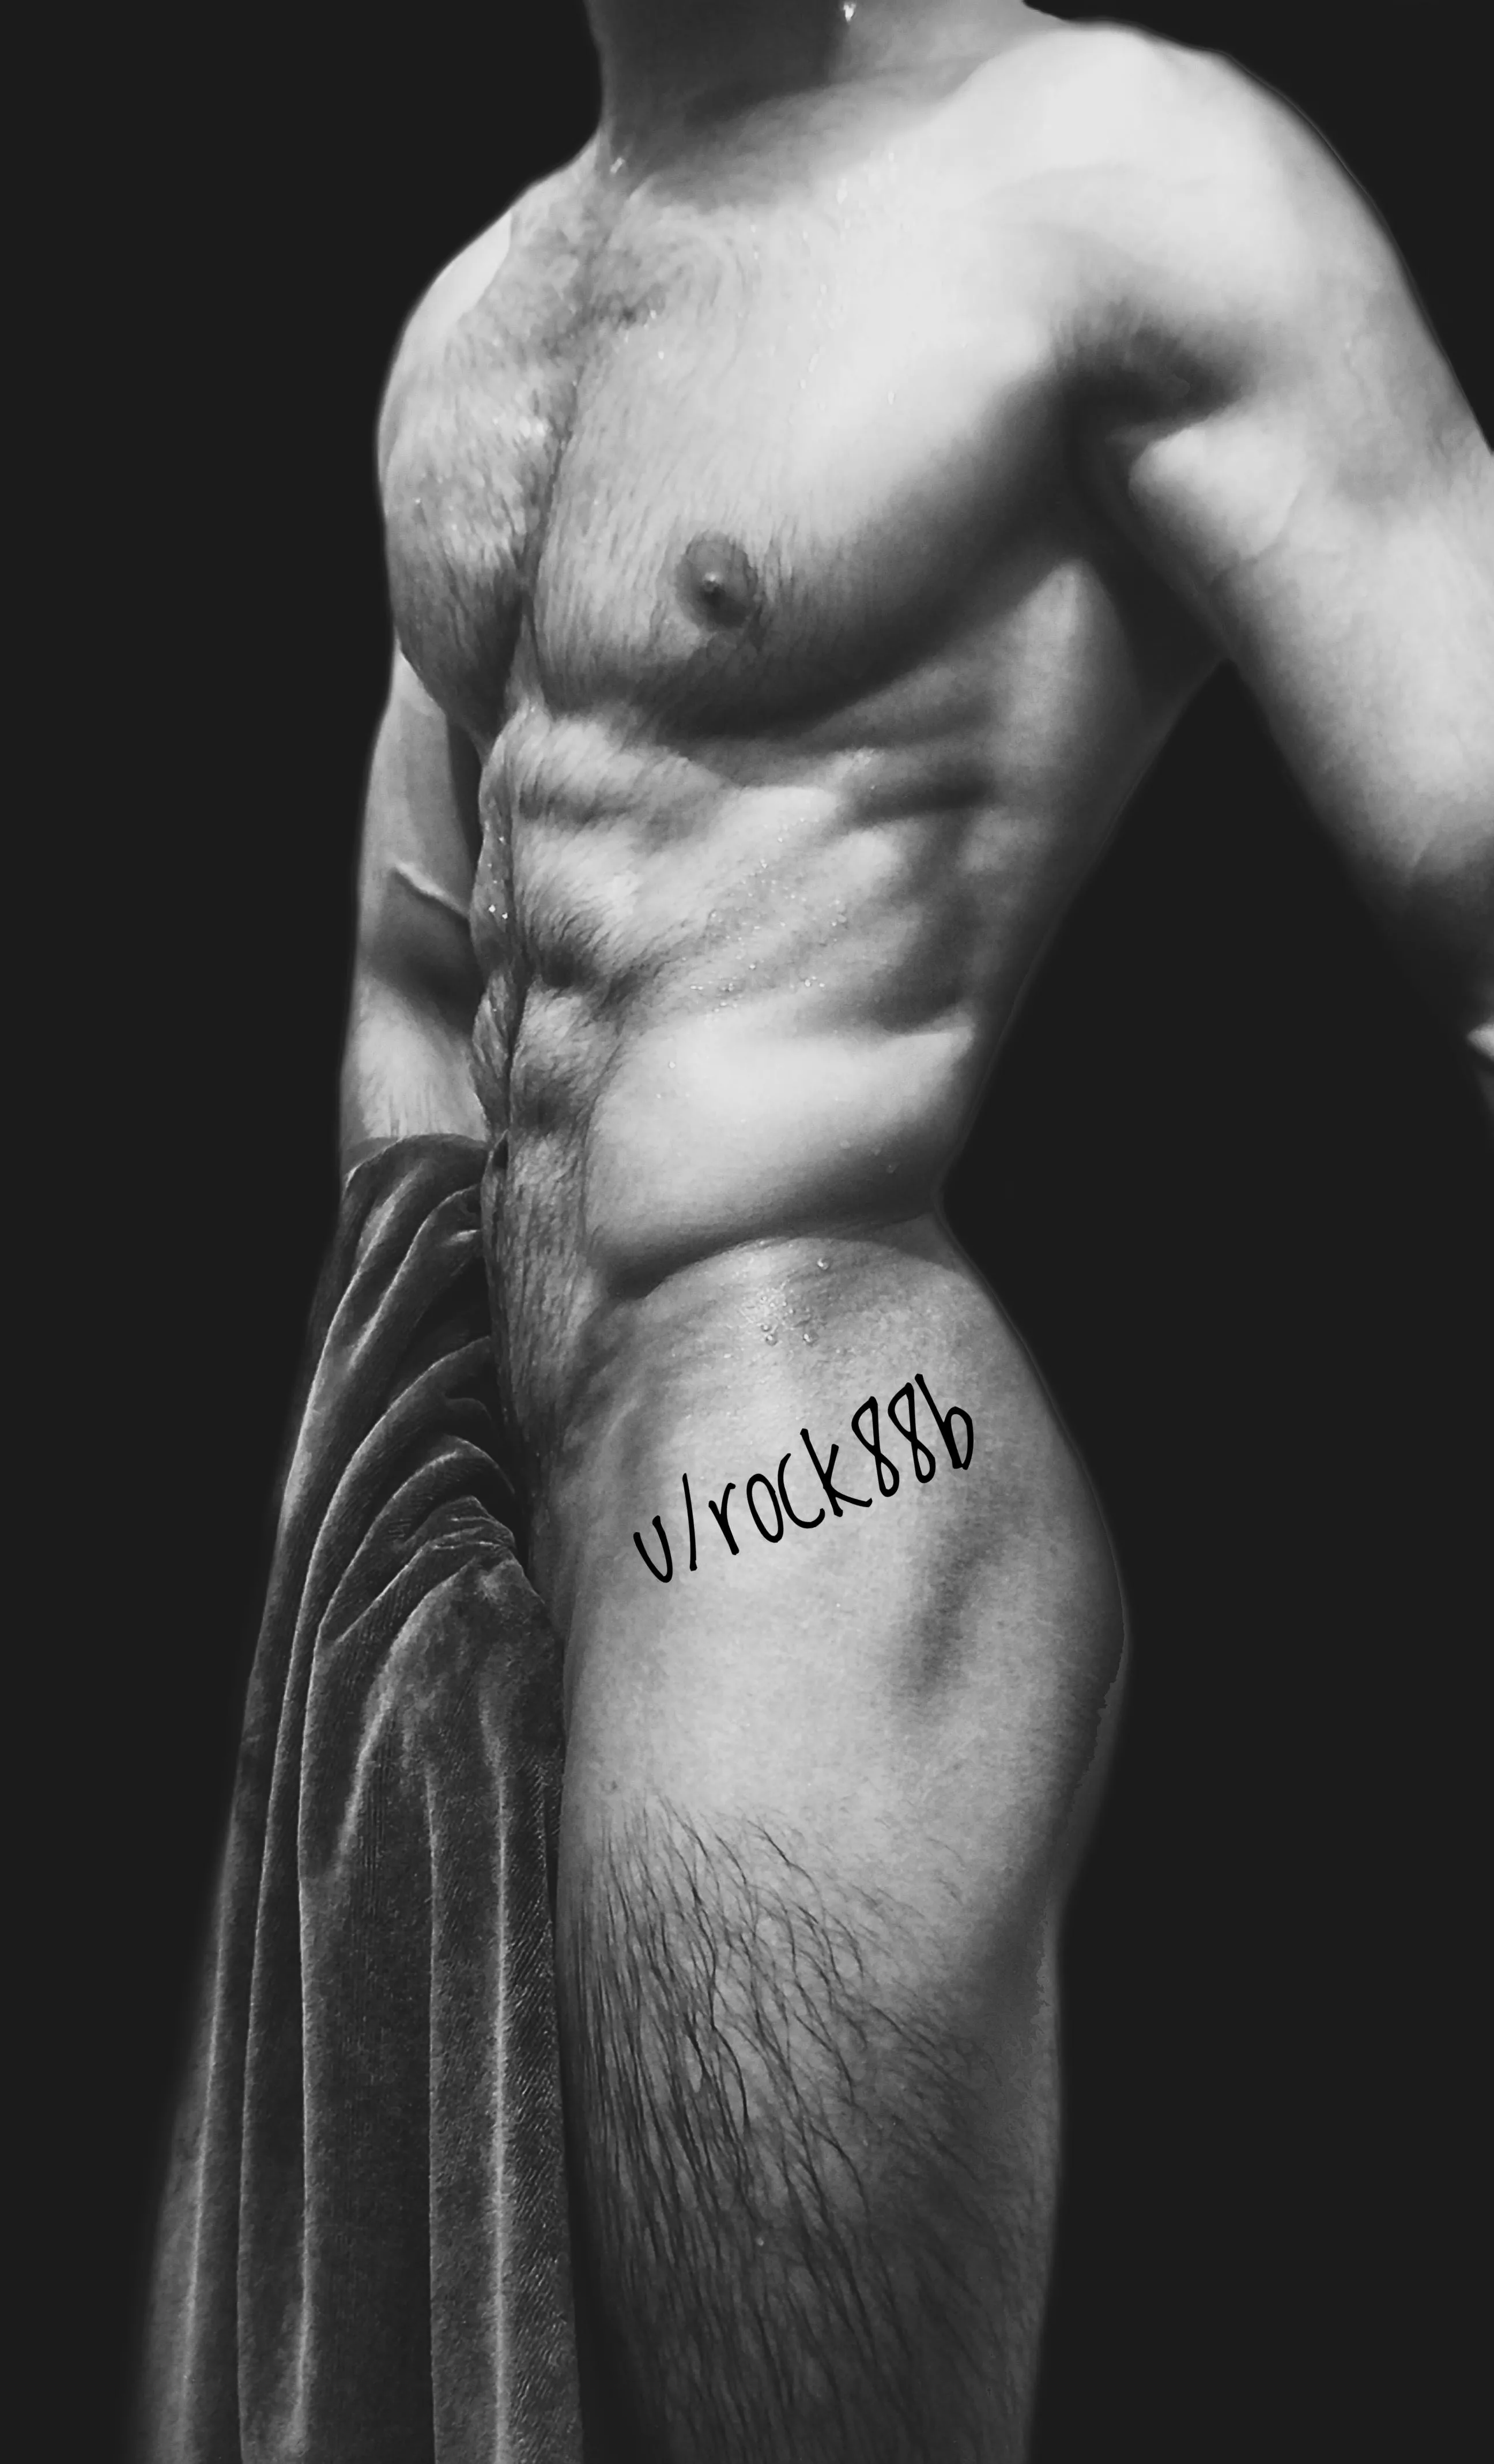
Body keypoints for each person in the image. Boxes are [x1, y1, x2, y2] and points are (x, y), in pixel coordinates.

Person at [139, 4, 1492, 2458]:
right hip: (500, 1489)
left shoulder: (1094, 175)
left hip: (803, 1472)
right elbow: (418, 973)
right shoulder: (484, 316)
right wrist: (399, 1534)